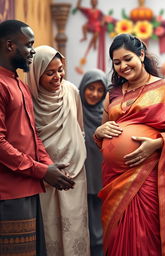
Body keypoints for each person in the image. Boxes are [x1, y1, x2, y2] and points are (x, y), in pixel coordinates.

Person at [94, 33, 165, 255]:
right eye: (117, 62)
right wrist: (99, 131)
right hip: (114, 179)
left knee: (145, 237)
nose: (123, 66)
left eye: (127, 58)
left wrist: (157, 144)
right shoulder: (112, 93)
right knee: (116, 238)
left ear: (141, 55)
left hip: (149, 178)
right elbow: (103, 134)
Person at [0, 20, 74, 256]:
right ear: (10, 46)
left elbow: (33, 135)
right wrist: (42, 171)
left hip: (29, 188)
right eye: (29, 44)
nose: (33, 50)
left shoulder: (19, 85)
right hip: (8, 193)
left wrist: (50, 167)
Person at [25, 45, 90, 256]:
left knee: (75, 225)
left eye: (60, 70)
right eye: (49, 73)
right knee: (49, 227)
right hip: (44, 174)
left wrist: (74, 157)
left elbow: (79, 128)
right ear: (36, 74)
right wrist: (45, 169)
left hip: (75, 172)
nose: (58, 77)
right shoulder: (28, 98)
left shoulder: (71, 91)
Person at [79, 69, 108, 256]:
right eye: (91, 88)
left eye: (100, 90)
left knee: (100, 231)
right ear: (82, 88)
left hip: (101, 182)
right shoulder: (74, 112)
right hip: (79, 181)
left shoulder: (106, 115)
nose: (95, 94)